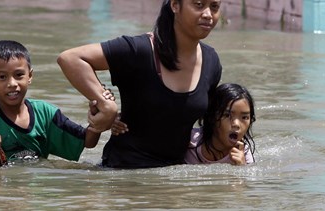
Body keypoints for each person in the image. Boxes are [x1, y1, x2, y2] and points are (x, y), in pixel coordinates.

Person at [57, 0, 223, 168]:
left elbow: (208, 126)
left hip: (175, 181)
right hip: (122, 176)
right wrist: (106, 107)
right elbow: (70, 59)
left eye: (214, 7)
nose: (208, 14)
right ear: (175, 5)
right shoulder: (140, 49)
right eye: (199, 4)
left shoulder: (212, 61)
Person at [0, 40, 109, 166]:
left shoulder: (45, 113)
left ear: (30, 76)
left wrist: (98, 118)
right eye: (2, 77)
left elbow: (87, 142)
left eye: (19, 75)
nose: (12, 83)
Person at [113, 83, 256, 165]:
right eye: (227, 115)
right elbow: (154, 136)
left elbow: (242, 192)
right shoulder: (191, 141)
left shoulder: (243, 151)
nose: (237, 124)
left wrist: (241, 169)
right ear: (212, 117)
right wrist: (121, 122)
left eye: (245, 117)